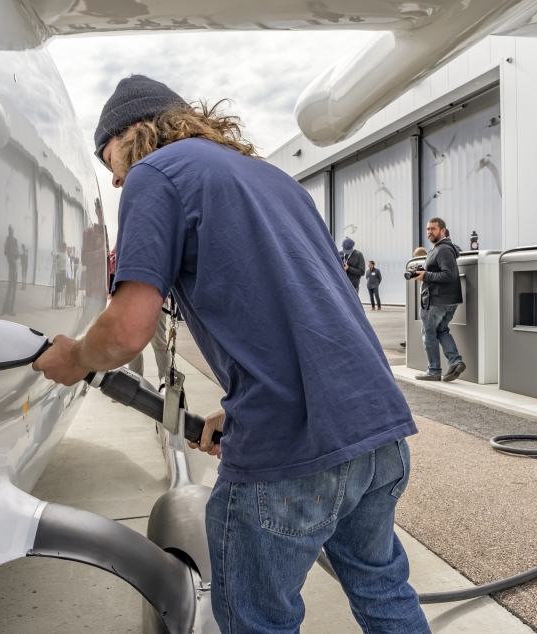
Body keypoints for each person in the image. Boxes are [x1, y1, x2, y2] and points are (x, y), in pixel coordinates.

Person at [32, 75, 429, 634]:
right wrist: (237, 411)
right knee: (382, 588)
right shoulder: (273, 179)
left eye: (111, 159)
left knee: (256, 621)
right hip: (376, 433)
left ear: (139, 131)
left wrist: (73, 359)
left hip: (293, 449)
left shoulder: (155, 173)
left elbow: (126, 331)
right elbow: (302, 314)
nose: (117, 179)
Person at [413, 218, 465, 382]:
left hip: (437, 300)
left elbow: (449, 274)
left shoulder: (442, 249)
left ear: (443, 231)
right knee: (441, 330)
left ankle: (434, 370)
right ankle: (455, 361)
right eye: (428, 229)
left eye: (433, 229)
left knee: (428, 333)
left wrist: (426, 275)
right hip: (448, 300)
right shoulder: (443, 249)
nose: (429, 232)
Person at [2, 225, 18, 316]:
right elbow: (15, 252)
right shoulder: (13, 240)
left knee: (10, 288)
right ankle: (10, 309)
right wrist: (16, 254)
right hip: (14, 264)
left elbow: (6, 252)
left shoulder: (7, 240)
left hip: (10, 263)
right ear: (13, 231)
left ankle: (5, 308)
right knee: (13, 287)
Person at [54, 242, 68, 309]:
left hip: (63, 272)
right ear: (62, 248)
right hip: (60, 272)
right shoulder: (60, 254)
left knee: (61, 288)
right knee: (58, 288)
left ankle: (59, 303)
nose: (66, 249)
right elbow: (55, 257)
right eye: (65, 248)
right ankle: (57, 303)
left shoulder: (64, 255)